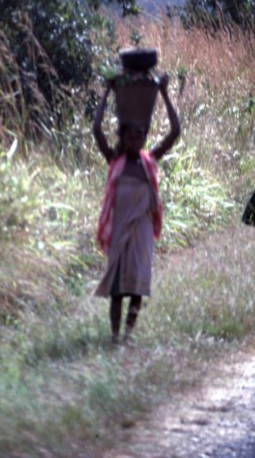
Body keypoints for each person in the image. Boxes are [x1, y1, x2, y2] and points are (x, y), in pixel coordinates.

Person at [93, 71, 181, 345]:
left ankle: (127, 336)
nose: (135, 142)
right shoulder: (115, 160)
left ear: (144, 138)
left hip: (142, 232)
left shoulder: (149, 161)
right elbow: (96, 130)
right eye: (130, 137)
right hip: (120, 231)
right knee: (118, 289)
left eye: (140, 137)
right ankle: (115, 336)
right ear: (122, 138)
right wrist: (106, 92)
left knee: (137, 290)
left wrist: (165, 93)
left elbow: (175, 132)